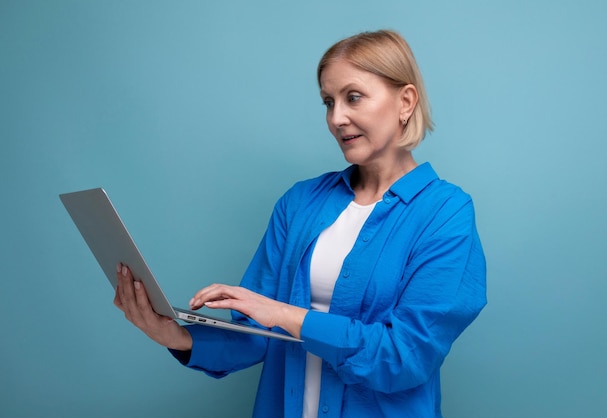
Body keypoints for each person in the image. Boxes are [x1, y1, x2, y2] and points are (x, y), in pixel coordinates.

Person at [114, 29, 487, 418]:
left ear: (405, 101)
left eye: (353, 97)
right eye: (329, 101)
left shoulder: (446, 213)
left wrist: (284, 314)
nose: (336, 118)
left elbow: (403, 357)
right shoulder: (300, 203)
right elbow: (256, 335)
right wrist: (172, 335)